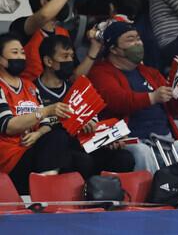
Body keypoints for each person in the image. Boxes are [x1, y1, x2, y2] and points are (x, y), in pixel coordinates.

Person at [89, 22, 178, 173]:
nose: (138, 43)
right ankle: (151, 190)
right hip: (130, 141)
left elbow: (173, 110)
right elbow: (117, 101)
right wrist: (152, 98)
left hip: (164, 140)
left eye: (138, 38)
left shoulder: (150, 72)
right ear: (114, 49)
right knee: (142, 152)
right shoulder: (100, 72)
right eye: (130, 39)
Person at [36, 35, 135, 178]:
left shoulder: (78, 88)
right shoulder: (32, 89)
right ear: (48, 61)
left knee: (124, 158)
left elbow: (94, 123)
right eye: (65, 56)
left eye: (72, 56)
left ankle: (107, 190)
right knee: (82, 160)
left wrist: (107, 138)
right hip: (54, 149)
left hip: (85, 144)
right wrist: (73, 122)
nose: (70, 61)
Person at [0, 33, 74, 194]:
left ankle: (58, 196)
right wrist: (46, 111)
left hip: (33, 148)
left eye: (22, 52)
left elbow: (46, 123)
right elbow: (8, 126)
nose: (21, 56)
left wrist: (38, 133)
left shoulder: (30, 86)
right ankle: (46, 194)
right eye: (14, 52)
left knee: (79, 160)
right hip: (11, 157)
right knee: (57, 139)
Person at [9, 0, 93, 82]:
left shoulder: (63, 33)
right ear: (44, 2)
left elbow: (74, 76)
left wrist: (95, 48)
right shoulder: (21, 26)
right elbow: (44, 15)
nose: (64, 3)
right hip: (31, 90)